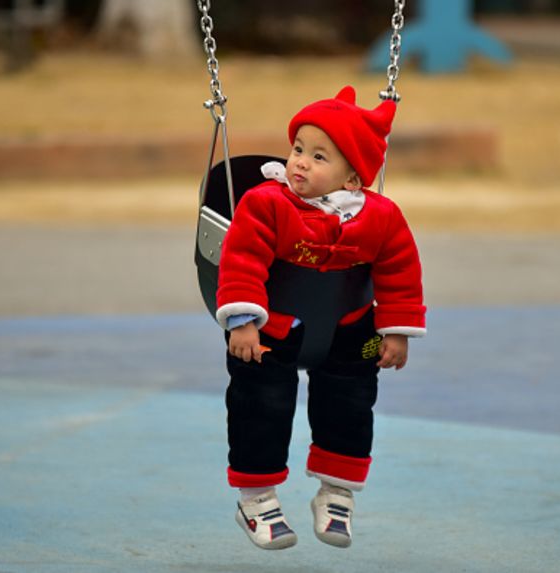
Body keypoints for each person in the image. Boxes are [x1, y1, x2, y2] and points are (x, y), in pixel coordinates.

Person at [216, 86, 426, 550]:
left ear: (353, 179)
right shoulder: (266, 202)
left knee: (353, 399)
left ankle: (337, 492)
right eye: (297, 149)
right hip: (270, 329)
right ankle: (257, 498)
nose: (299, 162)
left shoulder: (381, 216)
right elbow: (243, 257)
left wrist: (395, 331)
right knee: (261, 401)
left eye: (318, 156)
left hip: (354, 331)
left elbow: (400, 270)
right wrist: (243, 321)